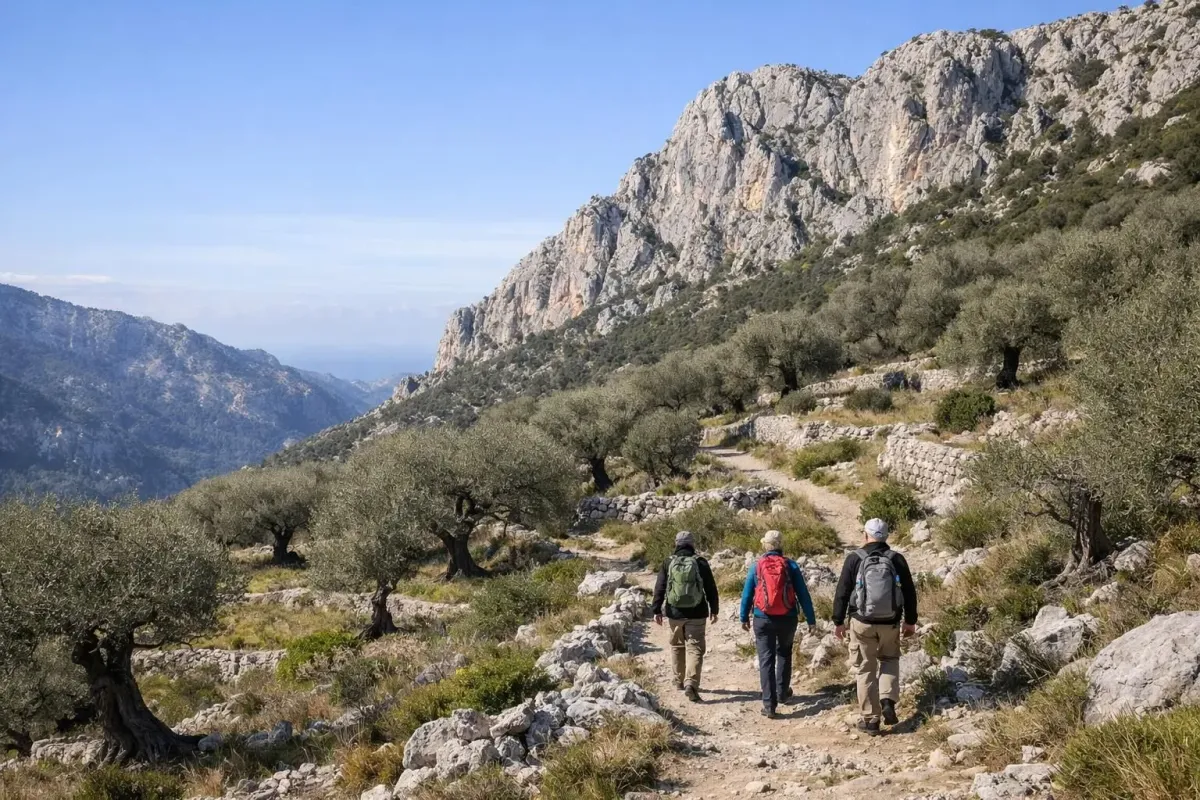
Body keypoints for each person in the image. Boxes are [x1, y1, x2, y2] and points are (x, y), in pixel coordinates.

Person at [832, 518, 918, 735]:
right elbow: (909, 592)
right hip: (890, 622)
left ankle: (871, 720)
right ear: (886, 536)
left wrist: (838, 621)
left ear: (865, 535)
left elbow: (842, 591)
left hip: (861, 623)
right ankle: (887, 699)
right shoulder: (896, 559)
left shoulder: (854, 558)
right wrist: (910, 621)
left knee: (865, 669)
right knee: (889, 659)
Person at [739, 530, 817, 718]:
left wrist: (743, 617)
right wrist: (811, 619)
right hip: (787, 617)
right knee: (784, 653)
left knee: (766, 659)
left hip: (762, 617)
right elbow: (803, 594)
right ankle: (782, 694)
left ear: (765, 545)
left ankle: (769, 704)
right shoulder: (790, 565)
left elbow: (747, 594)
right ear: (781, 545)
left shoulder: (757, 566)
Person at [652, 530, 719, 702]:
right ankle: (691, 683)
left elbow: (660, 587)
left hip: (674, 613)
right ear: (692, 544)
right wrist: (714, 609)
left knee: (677, 645)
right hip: (697, 612)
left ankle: (678, 680)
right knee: (695, 648)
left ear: (676, 544)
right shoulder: (700, 562)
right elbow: (710, 587)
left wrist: (656, 610)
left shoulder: (668, 562)